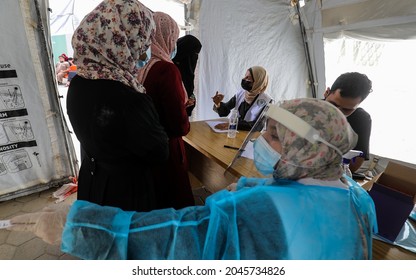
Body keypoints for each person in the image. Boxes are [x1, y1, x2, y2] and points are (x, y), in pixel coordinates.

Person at [9, 98, 376, 259]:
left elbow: (175, 237)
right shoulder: (358, 197)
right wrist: (248, 188)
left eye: (274, 137)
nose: (262, 143)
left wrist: (78, 226)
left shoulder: (255, 212)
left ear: (307, 152)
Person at [65, 0, 169, 212]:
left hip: (91, 182)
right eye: (143, 42)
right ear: (123, 40)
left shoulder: (79, 82)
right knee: (124, 243)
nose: (145, 50)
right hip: (124, 196)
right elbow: (158, 152)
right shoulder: (128, 98)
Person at [137, 12, 195, 210]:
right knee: (174, 202)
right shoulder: (166, 70)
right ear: (165, 36)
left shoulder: (140, 65)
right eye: (174, 38)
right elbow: (178, 124)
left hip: (146, 145)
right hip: (167, 149)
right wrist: (184, 113)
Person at [324, 72, 373, 172]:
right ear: (326, 92)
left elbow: (355, 163)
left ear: (358, 105)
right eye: (333, 105)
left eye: (346, 110)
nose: (337, 113)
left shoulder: (361, 119)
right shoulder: (309, 109)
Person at [212, 66, 272, 131]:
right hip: (232, 132)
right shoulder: (241, 93)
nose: (244, 79)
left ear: (258, 81)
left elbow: (258, 126)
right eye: (245, 76)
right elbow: (225, 110)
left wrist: (233, 124)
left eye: (248, 78)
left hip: (249, 137)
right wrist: (217, 104)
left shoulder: (267, 101)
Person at [172, 34, 202, 117]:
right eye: (193, 54)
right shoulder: (169, 69)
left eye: (196, 55)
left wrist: (191, 99)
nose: (194, 58)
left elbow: (189, 91)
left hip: (181, 121)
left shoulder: (187, 73)